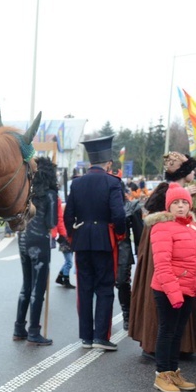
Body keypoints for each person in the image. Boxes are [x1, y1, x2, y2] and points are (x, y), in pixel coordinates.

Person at [129, 153, 196, 356]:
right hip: (168, 252)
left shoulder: (170, 190)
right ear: (184, 173)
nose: (194, 173)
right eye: (192, 170)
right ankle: (166, 357)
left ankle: (171, 352)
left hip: (173, 251)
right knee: (167, 298)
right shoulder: (170, 191)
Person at [64, 135, 126, 350]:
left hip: (81, 241)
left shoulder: (77, 183)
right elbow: (118, 215)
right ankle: (101, 336)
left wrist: (74, 236)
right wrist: (120, 234)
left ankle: (86, 337)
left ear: (91, 162)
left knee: (84, 289)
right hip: (104, 240)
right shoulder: (113, 182)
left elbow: (68, 215)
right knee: (105, 288)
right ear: (108, 163)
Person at [148, 183, 196, 392]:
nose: (180, 206)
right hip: (168, 289)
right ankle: (162, 374)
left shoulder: (191, 227)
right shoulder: (162, 227)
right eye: (175, 202)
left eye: (184, 202)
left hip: (188, 289)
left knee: (177, 333)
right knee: (167, 332)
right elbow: (162, 265)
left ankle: (173, 371)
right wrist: (174, 293)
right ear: (168, 206)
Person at [13, 157, 57, 346]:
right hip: (40, 241)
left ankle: (19, 328)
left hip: (23, 238)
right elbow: (52, 222)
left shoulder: (26, 193)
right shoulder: (50, 195)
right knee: (38, 289)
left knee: (26, 285)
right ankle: (34, 331)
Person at [115, 182, 143, 331]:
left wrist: (141, 256)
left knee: (122, 283)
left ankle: (127, 315)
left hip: (123, 250)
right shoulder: (101, 204)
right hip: (105, 249)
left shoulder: (130, 206)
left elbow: (139, 236)